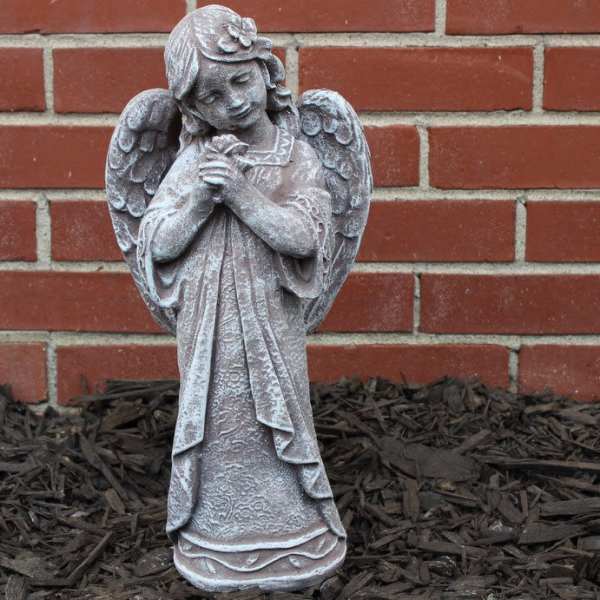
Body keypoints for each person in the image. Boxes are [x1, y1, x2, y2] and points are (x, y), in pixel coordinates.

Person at [136, 5, 346, 591]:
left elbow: (303, 237)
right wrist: (200, 199)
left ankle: (293, 529)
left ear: (265, 71)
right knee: (217, 414)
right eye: (210, 95)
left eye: (240, 80)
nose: (231, 102)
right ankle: (215, 531)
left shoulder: (295, 156)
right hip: (208, 326)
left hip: (270, 322)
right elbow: (159, 242)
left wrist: (241, 195)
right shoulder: (193, 163)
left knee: (272, 415)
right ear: (192, 109)